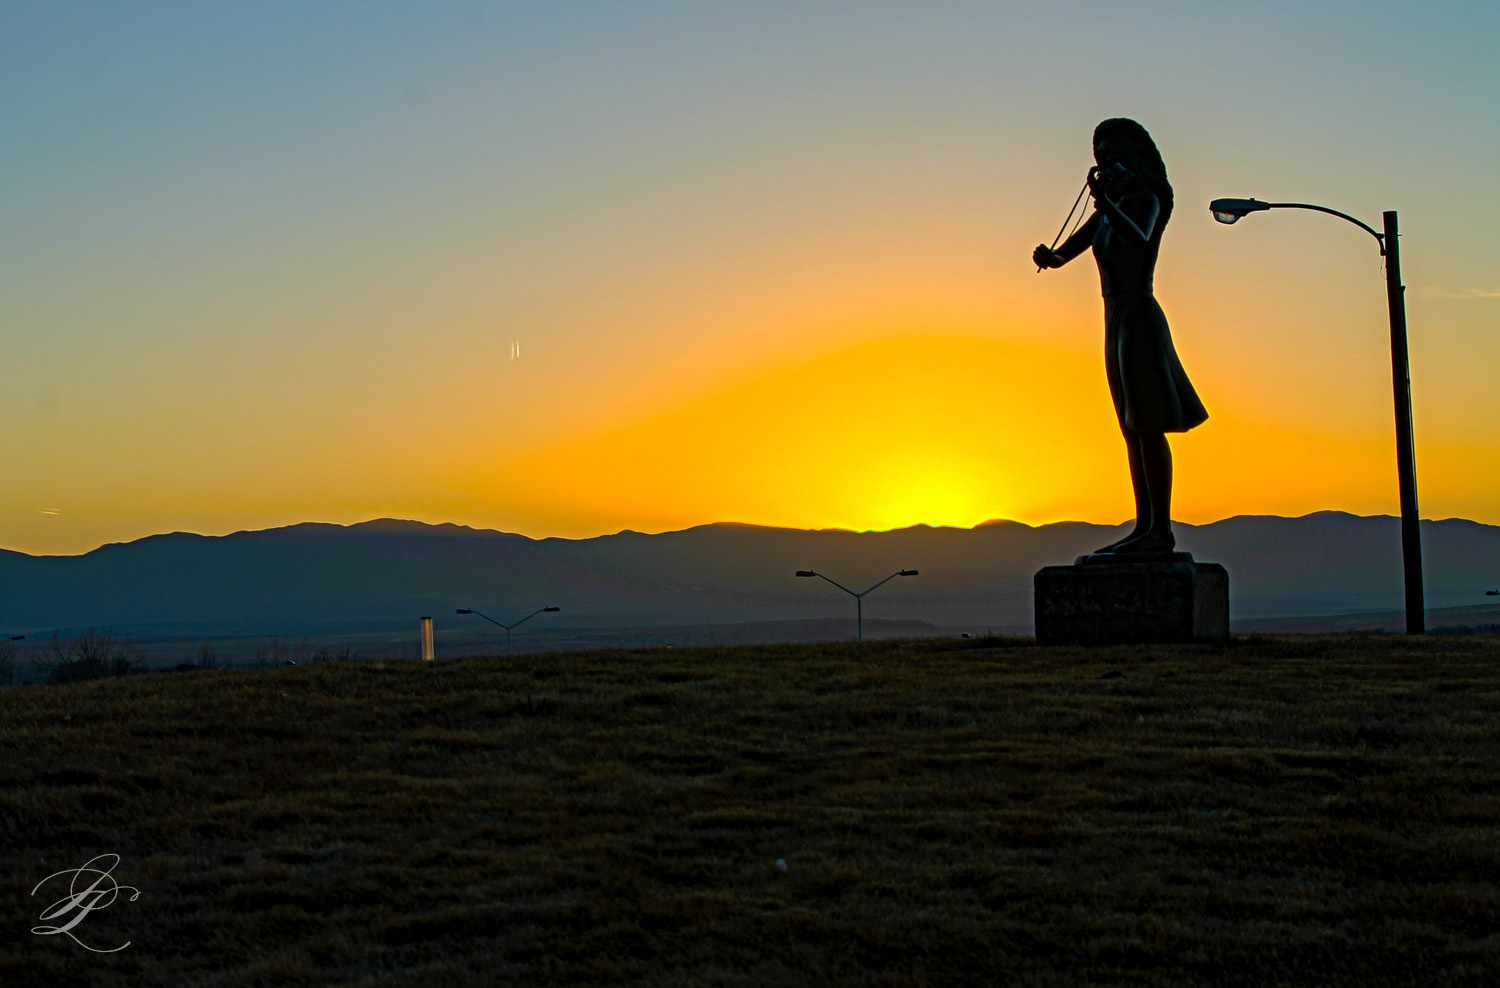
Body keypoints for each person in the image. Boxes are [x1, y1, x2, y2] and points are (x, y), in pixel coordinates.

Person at [1033, 118, 1207, 554]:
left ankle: (1160, 529)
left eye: (1112, 155)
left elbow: (1139, 236)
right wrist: (1050, 257)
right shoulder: (1109, 210)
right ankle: (1144, 525)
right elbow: (1068, 252)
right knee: (1130, 427)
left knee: (1147, 423)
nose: (1105, 163)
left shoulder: (1145, 200)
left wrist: (1108, 205)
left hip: (1139, 315)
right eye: (1100, 156)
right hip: (1114, 320)